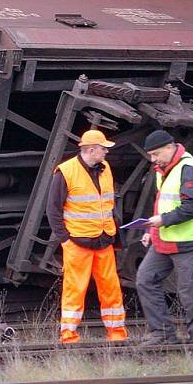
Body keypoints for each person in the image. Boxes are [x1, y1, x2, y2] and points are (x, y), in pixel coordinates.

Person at [136, 130, 193, 345]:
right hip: (166, 238)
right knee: (145, 279)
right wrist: (150, 231)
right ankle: (162, 333)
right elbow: (162, 203)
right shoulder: (163, 168)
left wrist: (162, 221)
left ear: (169, 147)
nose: (153, 160)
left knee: (189, 294)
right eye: (150, 156)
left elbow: (192, 206)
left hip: (190, 241)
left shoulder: (188, 169)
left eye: (155, 154)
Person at [46, 129, 128, 343]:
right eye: (103, 149)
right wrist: (65, 239)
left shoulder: (105, 168)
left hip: (104, 239)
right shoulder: (65, 171)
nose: (106, 153)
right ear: (91, 150)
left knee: (111, 288)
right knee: (75, 289)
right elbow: (53, 209)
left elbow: (108, 203)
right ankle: (69, 336)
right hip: (78, 242)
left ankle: (117, 334)